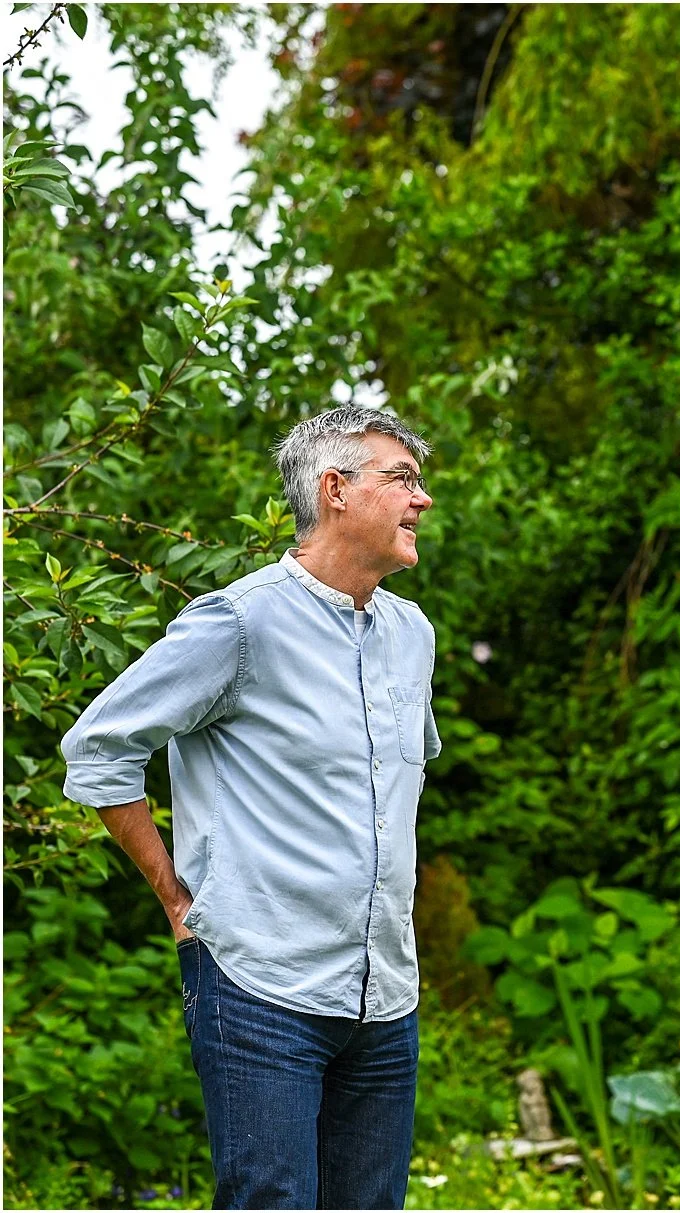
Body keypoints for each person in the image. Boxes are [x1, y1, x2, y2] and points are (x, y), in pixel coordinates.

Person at [60, 406, 441, 1209]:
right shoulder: (239, 622)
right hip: (258, 984)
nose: (423, 498)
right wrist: (176, 900)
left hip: (385, 995)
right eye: (403, 478)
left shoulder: (412, 634)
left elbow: (391, 786)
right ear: (335, 489)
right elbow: (99, 748)